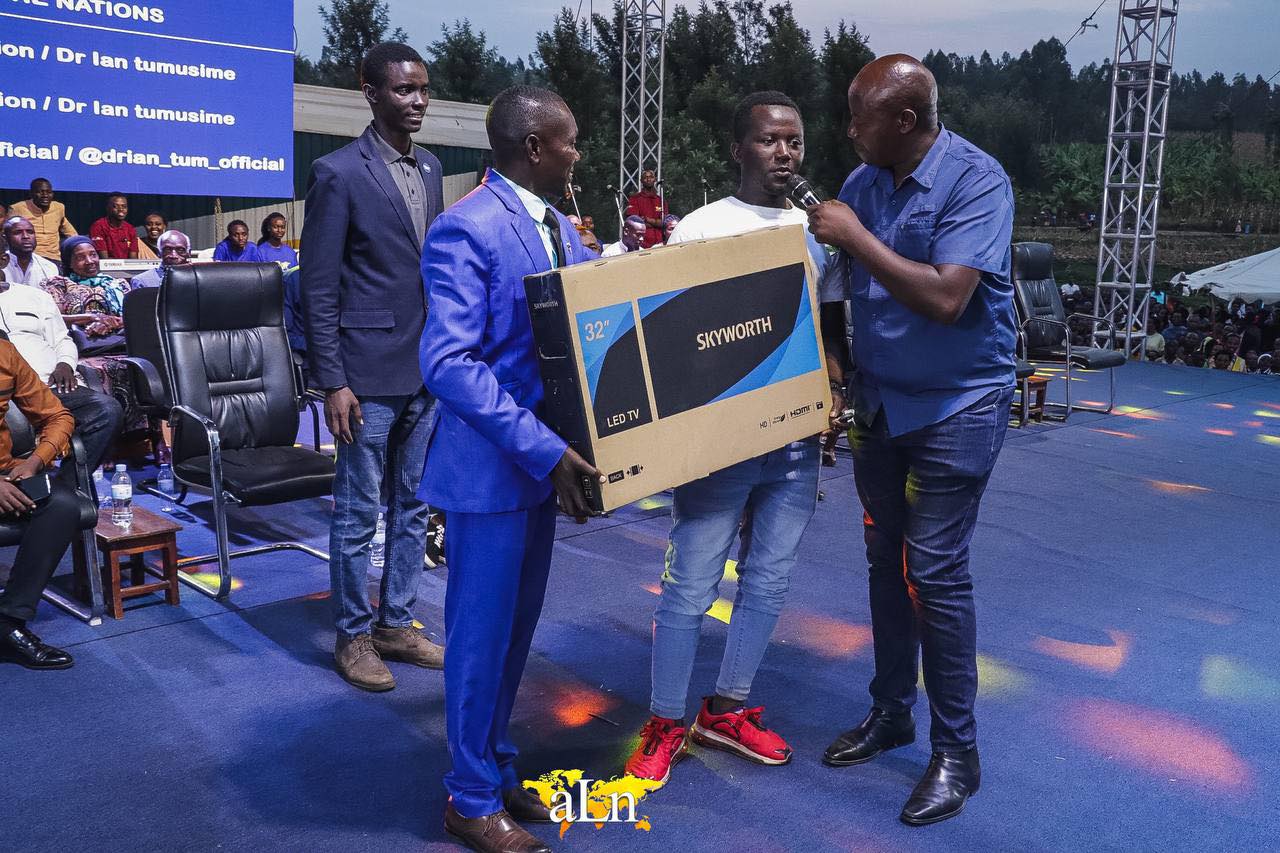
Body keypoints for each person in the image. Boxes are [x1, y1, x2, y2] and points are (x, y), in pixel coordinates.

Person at [805, 55, 1016, 827]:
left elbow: (948, 298)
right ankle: (892, 709)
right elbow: (836, 291)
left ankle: (957, 752)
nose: (848, 130)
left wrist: (856, 237)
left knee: (934, 570)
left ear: (903, 120)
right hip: (880, 404)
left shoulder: (977, 181)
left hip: (958, 403)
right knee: (884, 560)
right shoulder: (861, 184)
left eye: (859, 117)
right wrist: (836, 372)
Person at [622, 91, 846, 787]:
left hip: (794, 441)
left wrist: (832, 390)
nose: (785, 153)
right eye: (770, 140)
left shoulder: (818, 227)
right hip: (720, 444)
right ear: (737, 149)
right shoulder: (702, 227)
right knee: (690, 583)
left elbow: (827, 326)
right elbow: (676, 339)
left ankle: (727, 709)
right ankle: (665, 719)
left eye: (795, 141)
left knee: (769, 579)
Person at [419, 84, 602, 853]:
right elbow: (448, 363)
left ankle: (493, 764)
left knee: (515, 636)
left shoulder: (557, 226)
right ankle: (468, 799)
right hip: (492, 473)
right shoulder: (466, 228)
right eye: (569, 140)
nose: (577, 153)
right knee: (477, 642)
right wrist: (545, 448)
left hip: (541, 470)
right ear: (534, 147)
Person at [301, 42, 446, 693]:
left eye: (423, 89)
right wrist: (332, 380)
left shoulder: (433, 167)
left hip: (424, 369)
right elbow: (318, 287)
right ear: (371, 93)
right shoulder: (337, 172)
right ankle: (353, 635)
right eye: (404, 90)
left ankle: (395, 622)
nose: (417, 101)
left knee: (414, 504)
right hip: (363, 375)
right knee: (359, 512)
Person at [0, 264, 124, 483]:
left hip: (49, 385)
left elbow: (61, 339)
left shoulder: (35, 296)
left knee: (106, 409)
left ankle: (68, 485)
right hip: (6, 391)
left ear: (3, 259)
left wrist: (65, 364)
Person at [0, 338, 79, 670]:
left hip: (7, 472)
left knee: (62, 505)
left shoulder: (4, 353)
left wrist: (35, 461)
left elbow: (58, 416)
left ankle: (8, 623)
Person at [45, 237, 130, 355]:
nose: (89, 261)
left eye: (93, 255)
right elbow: (55, 319)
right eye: (80, 257)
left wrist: (110, 323)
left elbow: (135, 317)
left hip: (121, 348)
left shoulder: (118, 284)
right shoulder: (59, 284)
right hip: (77, 350)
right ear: (69, 263)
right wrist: (91, 318)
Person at [7, 178, 76, 267]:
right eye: (40, 192)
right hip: (29, 257)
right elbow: (5, 233)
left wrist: (79, 244)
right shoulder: (17, 209)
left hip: (54, 259)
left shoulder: (59, 208)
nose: (45, 195)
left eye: (49, 192)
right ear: (31, 194)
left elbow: (71, 232)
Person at [2, 217, 59, 288]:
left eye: (30, 232)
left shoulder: (49, 267)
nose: (26, 236)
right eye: (18, 232)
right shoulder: (1, 264)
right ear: (5, 238)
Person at [88, 193, 139, 260]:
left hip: (126, 266)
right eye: (115, 206)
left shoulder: (130, 229)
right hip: (106, 266)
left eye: (124, 206)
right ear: (107, 208)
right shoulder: (98, 226)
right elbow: (104, 260)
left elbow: (133, 259)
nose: (121, 209)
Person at [625, 167, 667, 247]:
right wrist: (656, 223)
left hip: (660, 242)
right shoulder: (635, 199)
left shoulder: (661, 200)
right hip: (641, 243)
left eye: (651, 177)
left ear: (655, 179)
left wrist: (648, 220)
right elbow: (634, 223)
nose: (648, 179)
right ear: (641, 181)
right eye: (645, 177)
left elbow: (665, 223)